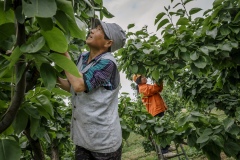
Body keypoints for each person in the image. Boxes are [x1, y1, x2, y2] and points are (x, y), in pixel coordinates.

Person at [57, 19, 126, 160]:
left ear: (108, 43)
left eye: (99, 30)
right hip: (83, 138)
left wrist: (62, 49)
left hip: (103, 142)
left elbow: (79, 85)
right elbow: (72, 87)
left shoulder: (108, 63)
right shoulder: (82, 57)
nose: (92, 30)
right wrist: (49, 75)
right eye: (95, 28)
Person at [132, 74, 175, 156]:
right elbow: (154, 89)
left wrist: (159, 80)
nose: (145, 78)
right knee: (161, 131)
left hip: (159, 109)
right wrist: (158, 79)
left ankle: (167, 147)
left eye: (145, 76)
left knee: (164, 129)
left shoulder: (146, 85)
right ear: (138, 80)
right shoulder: (142, 87)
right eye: (143, 77)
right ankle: (164, 151)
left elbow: (159, 88)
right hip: (155, 111)